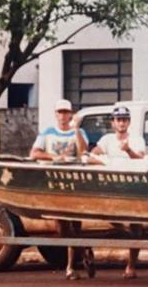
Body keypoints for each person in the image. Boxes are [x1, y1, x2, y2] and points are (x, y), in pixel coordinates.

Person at [29, 99, 93, 280]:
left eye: (66, 112)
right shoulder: (48, 133)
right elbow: (34, 153)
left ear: (70, 114)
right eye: (60, 112)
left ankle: (71, 267)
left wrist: (76, 129)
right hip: (54, 185)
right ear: (56, 114)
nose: (63, 115)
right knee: (63, 228)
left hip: (74, 184)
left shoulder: (79, 132)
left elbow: (84, 153)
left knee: (75, 225)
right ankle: (84, 251)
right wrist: (56, 157)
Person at [90, 105, 144, 279]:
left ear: (128, 122)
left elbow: (142, 160)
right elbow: (93, 153)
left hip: (132, 188)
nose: (121, 122)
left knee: (137, 226)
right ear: (113, 123)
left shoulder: (136, 139)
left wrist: (128, 150)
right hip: (111, 188)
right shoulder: (107, 139)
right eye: (118, 119)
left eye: (124, 119)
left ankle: (131, 266)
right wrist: (99, 157)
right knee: (108, 220)